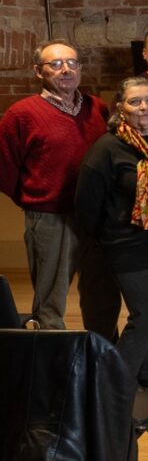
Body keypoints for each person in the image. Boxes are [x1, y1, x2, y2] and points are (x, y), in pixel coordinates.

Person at [75, 77, 148, 393]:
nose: (143, 107)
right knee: (147, 316)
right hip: (127, 246)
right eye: (134, 101)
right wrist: (109, 237)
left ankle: (147, 379)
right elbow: (86, 206)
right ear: (120, 108)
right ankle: (112, 388)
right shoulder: (107, 149)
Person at [0, 39, 110, 330]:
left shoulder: (97, 108)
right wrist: (35, 199)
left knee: (100, 293)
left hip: (95, 216)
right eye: (56, 64)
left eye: (72, 63)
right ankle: (52, 355)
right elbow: (4, 168)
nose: (66, 70)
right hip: (50, 217)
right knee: (51, 300)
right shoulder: (21, 114)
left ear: (80, 69)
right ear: (39, 71)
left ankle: (101, 351)